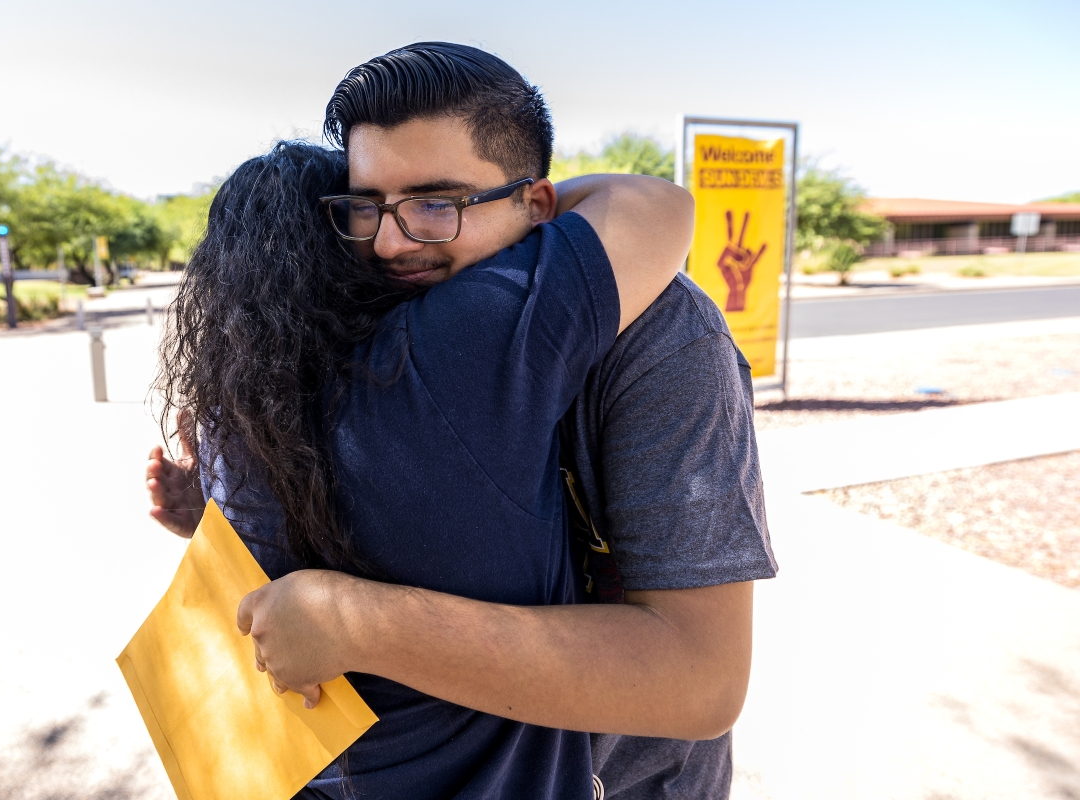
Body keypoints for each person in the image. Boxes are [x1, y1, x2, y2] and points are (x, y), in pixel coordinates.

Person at [147, 43, 776, 800]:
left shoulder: (662, 340)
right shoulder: (366, 332)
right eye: (365, 206)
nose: (389, 240)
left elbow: (701, 680)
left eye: (436, 204)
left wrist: (355, 619)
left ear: (541, 206)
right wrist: (240, 519)